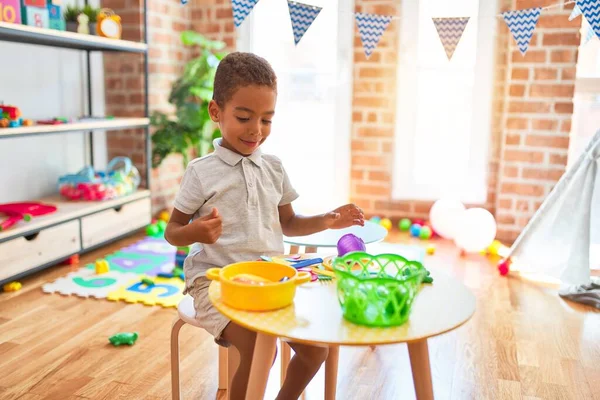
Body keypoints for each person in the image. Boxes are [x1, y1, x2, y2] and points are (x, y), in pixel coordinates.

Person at [165, 52, 364, 399]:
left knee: (317, 349)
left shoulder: (273, 167)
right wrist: (195, 232)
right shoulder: (201, 172)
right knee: (261, 348)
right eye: (244, 117)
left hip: (270, 279)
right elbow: (173, 231)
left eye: (267, 119)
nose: (256, 129)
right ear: (216, 113)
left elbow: (289, 223)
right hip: (217, 283)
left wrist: (327, 220)